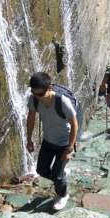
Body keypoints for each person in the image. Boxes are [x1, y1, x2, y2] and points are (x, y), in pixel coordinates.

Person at [26, 72, 78, 211]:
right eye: (34, 92)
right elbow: (31, 118)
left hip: (64, 144)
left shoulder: (62, 101)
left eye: (40, 94)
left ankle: (63, 194)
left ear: (49, 88)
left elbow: (74, 124)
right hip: (48, 141)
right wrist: (29, 139)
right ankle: (60, 176)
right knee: (41, 170)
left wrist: (70, 149)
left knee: (57, 176)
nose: (38, 97)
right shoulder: (34, 99)